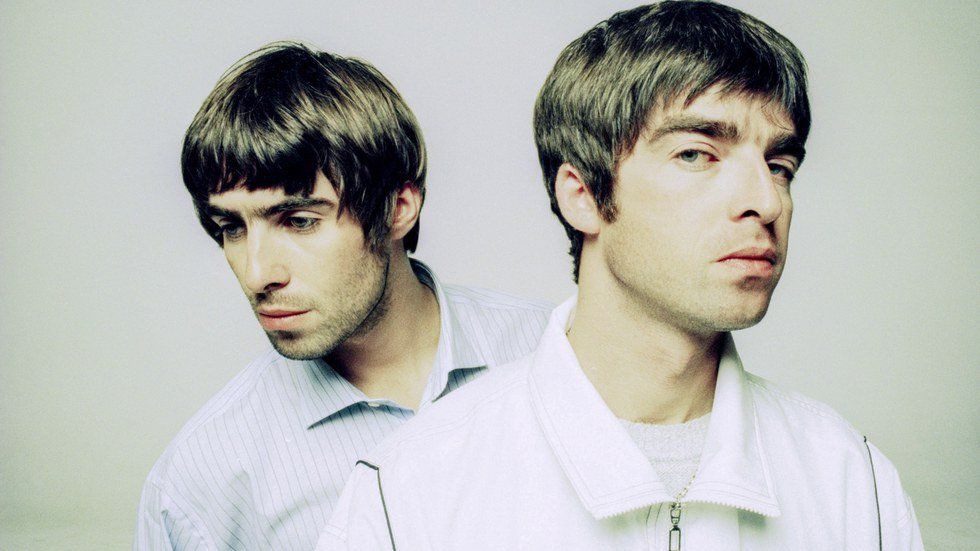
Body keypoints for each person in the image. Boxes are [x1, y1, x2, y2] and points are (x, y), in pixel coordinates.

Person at [317, 2, 924, 549]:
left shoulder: (852, 479)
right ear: (581, 196)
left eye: (780, 165)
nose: (766, 201)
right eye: (697, 154)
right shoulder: (411, 488)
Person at [133, 42, 552, 550]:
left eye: (298, 221)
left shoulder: (561, 353)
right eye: (231, 228)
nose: (257, 274)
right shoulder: (200, 485)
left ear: (398, 208)